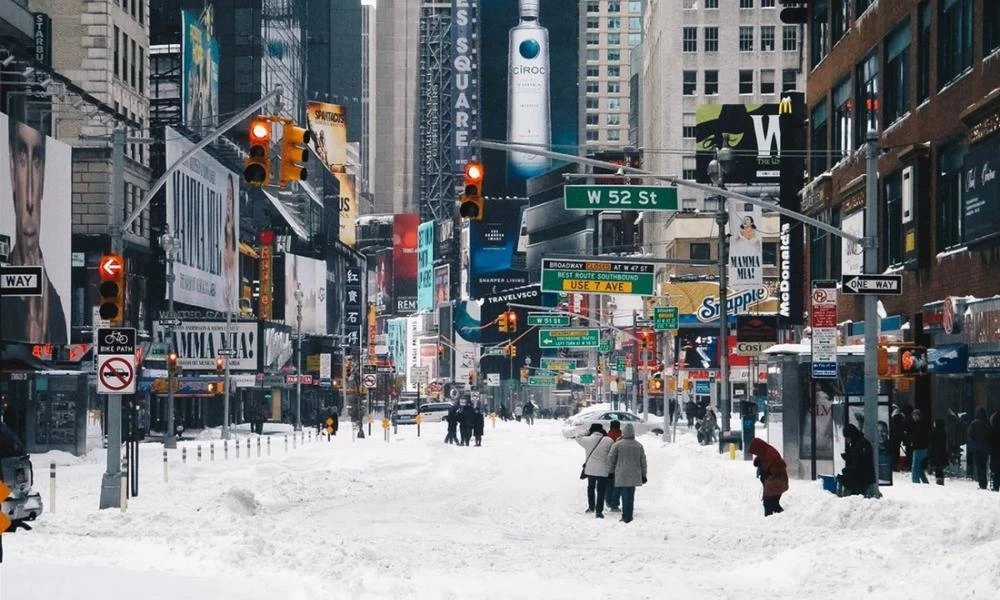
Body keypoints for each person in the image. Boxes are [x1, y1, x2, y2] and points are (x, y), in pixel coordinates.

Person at [0, 113, 68, 344]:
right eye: (21, 158)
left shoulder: (56, 306)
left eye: (36, 160)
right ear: (10, 166)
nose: (29, 196)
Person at [606, 423, 647, 524]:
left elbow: (611, 459)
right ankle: (629, 515)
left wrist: (610, 471)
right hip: (634, 474)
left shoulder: (617, 445)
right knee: (630, 495)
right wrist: (643, 475)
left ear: (623, 432)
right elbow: (643, 462)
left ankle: (625, 516)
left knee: (624, 494)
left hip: (621, 473)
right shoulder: (639, 445)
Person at [577, 423, 613, 519]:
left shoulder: (587, 440)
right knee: (601, 491)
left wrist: (587, 431)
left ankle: (591, 507)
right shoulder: (609, 440)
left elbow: (578, 436)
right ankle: (599, 512)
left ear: (591, 430)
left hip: (590, 470)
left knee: (591, 488)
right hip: (603, 470)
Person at [748, 438, 789, 516]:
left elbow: (778, 468)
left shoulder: (771, 454)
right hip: (773, 483)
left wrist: (767, 474)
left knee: (768, 504)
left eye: (756, 452)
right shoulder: (764, 452)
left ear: (758, 448)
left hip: (777, 482)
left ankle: (772, 521)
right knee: (773, 504)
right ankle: (782, 520)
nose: (756, 454)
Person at [839, 424, 876, 497]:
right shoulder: (856, 443)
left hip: (863, 478)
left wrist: (846, 468)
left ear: (851, 436)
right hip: (862, 477)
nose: (846, 440)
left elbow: (859, 463)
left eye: (847, 437)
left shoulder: (861, 444)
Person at [967, 408, 990, 490]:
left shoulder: (974, 423)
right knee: (984, 466)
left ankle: (981, 483)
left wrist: (973, 442)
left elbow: (969, 434)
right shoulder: (987, 423)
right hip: (985, 448)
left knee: (979, 466)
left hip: (977, 448)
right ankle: (985, 483)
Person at [605, 420, 623, 512]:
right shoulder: (622, 437)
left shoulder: (607, 437)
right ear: (619, 427)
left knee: (609, 483)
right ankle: (614, 504)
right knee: (617, 485)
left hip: (608, 464)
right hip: (620, 464)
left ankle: (608, 500)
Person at [909, 409, 930, 484]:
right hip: (923, 448)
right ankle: (925, 482)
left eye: (915, 416)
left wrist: (911, 439)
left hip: (918, 448)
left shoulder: (918, 425)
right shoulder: (923, 424)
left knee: (915, 467)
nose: (914, 417)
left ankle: (915, 482)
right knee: (919, 467)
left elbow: (917, 436)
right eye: (913, 416)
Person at [928, 418, 949, 486]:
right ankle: (941, 480)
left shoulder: (934, 432)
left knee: (937, 468)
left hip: (935, 453)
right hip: (942, 453)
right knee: (940, 468)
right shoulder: (943, 432)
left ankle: (938, 481)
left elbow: (932, 443)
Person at [988, 412, 1000, 492]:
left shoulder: (992, 429)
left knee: (995, 470)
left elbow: (989, 440)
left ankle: (995, 486)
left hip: (995, 451)